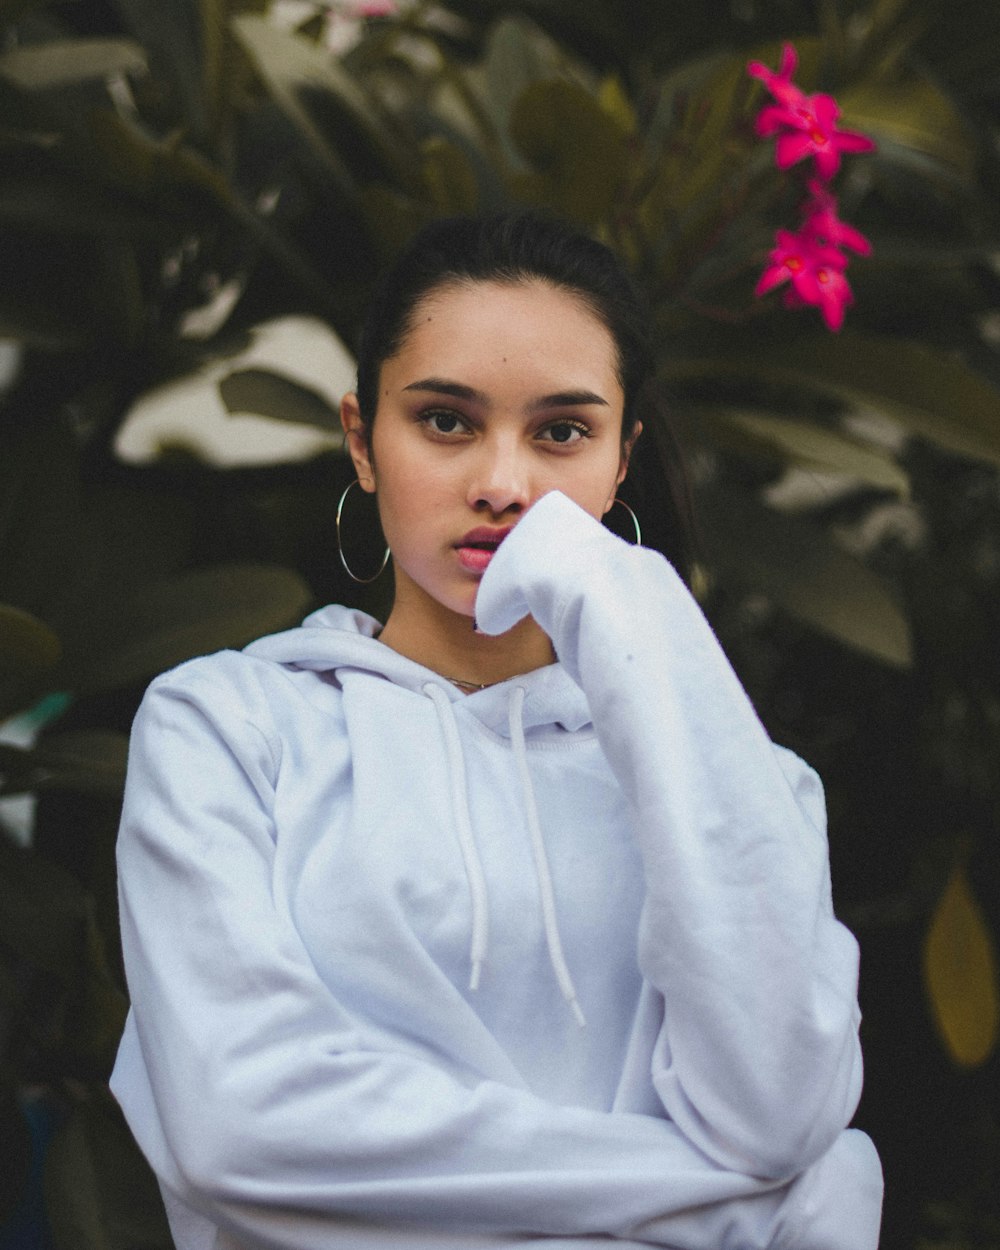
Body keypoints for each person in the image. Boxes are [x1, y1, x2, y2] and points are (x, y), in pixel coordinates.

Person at [110, 211, 883, 1250]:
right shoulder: (230, 730)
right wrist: (734, 1202)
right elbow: (241, 1129)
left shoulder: (751, 784)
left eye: (562, 432)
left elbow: (780, 1108)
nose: (503, 484)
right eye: (445, 421)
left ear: (623, 460)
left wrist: (635, 615)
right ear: (361, 439)